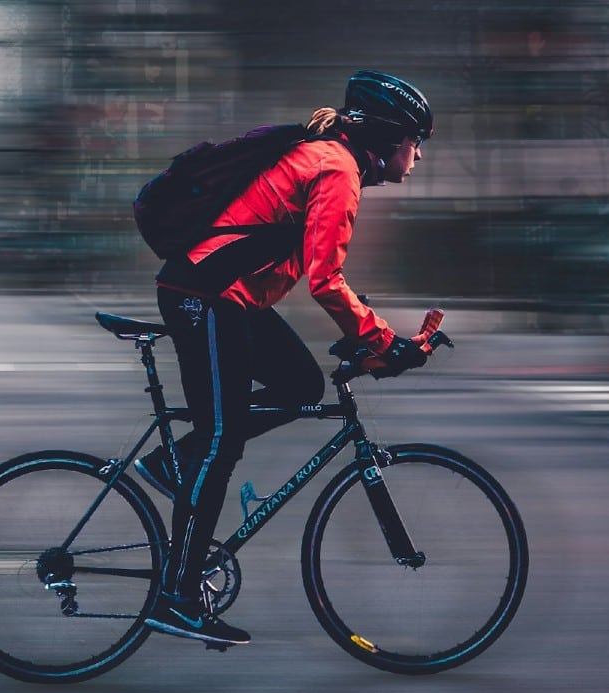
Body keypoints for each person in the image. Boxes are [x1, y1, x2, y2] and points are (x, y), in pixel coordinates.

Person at [136, 70, 439, 647]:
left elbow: (318, 270)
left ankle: (176, 462)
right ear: (389, 137)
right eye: (416, 140)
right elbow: (326, 279)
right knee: (221, 442)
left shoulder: (331, 161)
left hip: (228, 295)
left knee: (301, 385)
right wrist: (379, 340)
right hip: (206, 294)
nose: (418, 154)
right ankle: (176, 596)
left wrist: (369, 335)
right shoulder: (338, 169)